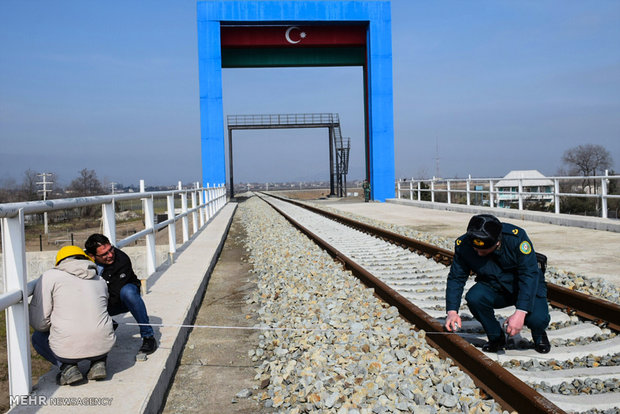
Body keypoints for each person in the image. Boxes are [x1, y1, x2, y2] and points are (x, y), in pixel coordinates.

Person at [444, 214, 551, 354]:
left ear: (498, 243)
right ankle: (496, 337)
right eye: (476, 249)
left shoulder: (516, 239)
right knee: (475, 297)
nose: (479, 253)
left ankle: (539, 335)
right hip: (494, 287)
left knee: (538, 319)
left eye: (484, 250)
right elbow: (456, 278)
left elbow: (529, 276)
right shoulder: (463, 245)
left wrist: (520, 312)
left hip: (525, 287)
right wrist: (452, 312)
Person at [30, 246, 116, 385]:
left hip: (67, 349)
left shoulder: (50, 276)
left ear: (60, 262)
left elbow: (40, 323)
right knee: (99, 324)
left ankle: (68, 368)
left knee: (37, 338)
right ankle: (98, 363)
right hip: (103, 346)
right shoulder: (98, 278)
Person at [85, 234, 157, 359]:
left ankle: (148, 336)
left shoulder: (121, 259)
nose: (111, 255)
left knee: (128, 291)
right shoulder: (83, 263)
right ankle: (107, 325)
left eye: (110, 249)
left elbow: (115, 293)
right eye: (104, 254)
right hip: (98, 304)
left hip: (120, 301)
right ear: (92, 256)